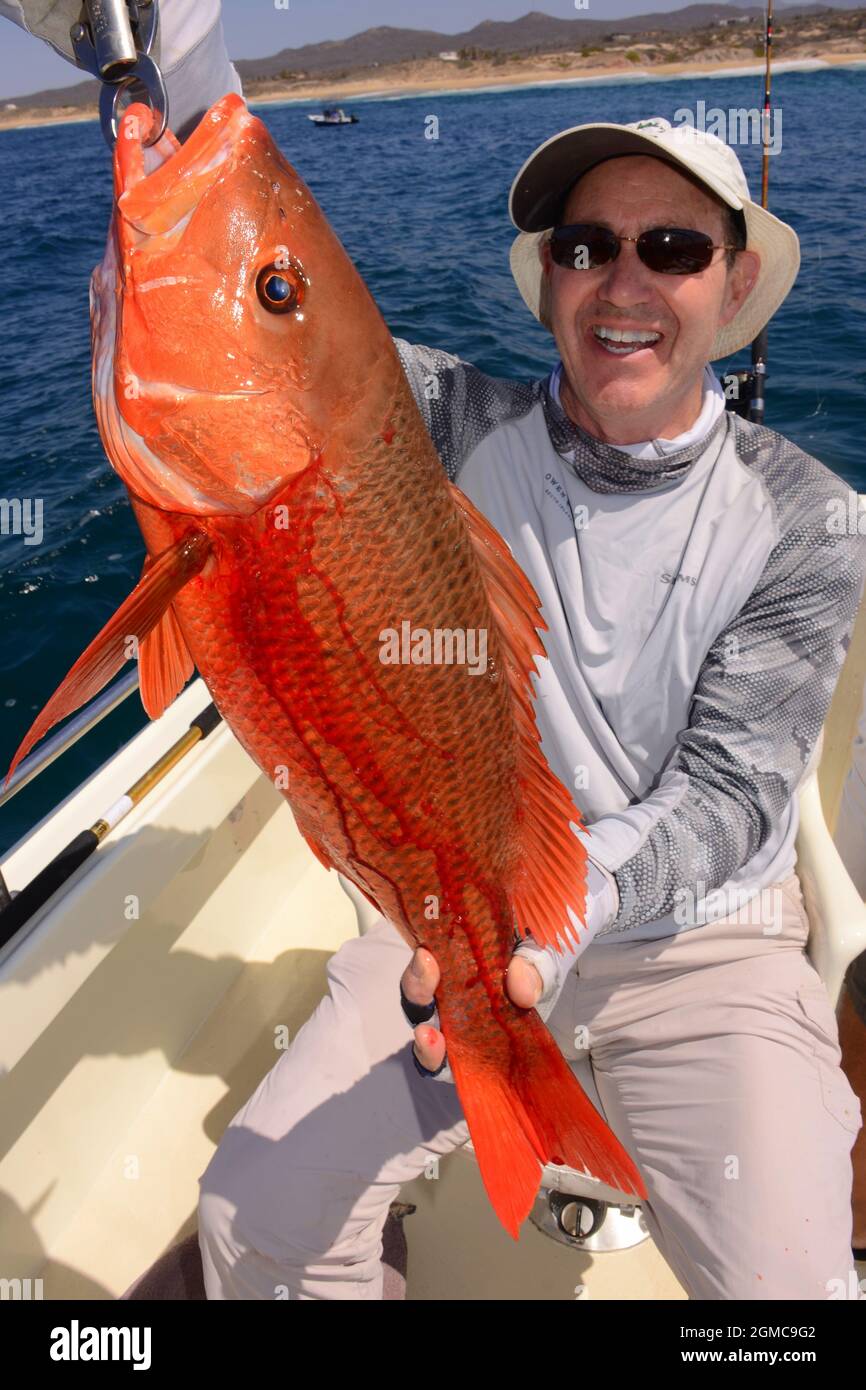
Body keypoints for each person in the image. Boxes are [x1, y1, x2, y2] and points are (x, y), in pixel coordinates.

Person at [6, 1, 865, 1301]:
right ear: (551, 276)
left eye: (672, 248)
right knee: (259, 1218)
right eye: (585, 245)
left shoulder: (801, 516)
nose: (623, 281)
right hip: (448, 917)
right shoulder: (454, 421)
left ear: (733, 284)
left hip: (700, 943)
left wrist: (545, 928)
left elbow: (734, 795)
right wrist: (174, 59)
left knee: (791, 1293)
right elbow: (294, 344)